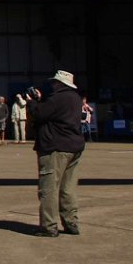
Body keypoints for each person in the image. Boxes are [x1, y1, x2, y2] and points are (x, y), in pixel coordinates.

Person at [28, 70, 86, 237]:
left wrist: (32, 102)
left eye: (54, 82)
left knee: (49, 188)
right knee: (68, 188)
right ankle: (71, 222)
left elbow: (40, 114)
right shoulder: (75, 98)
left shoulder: (58, 98)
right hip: (74, 147)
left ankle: (49, 226)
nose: (52, 85)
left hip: (55, 148)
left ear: (60, 84)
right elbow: (54, 113)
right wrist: (41, 100)